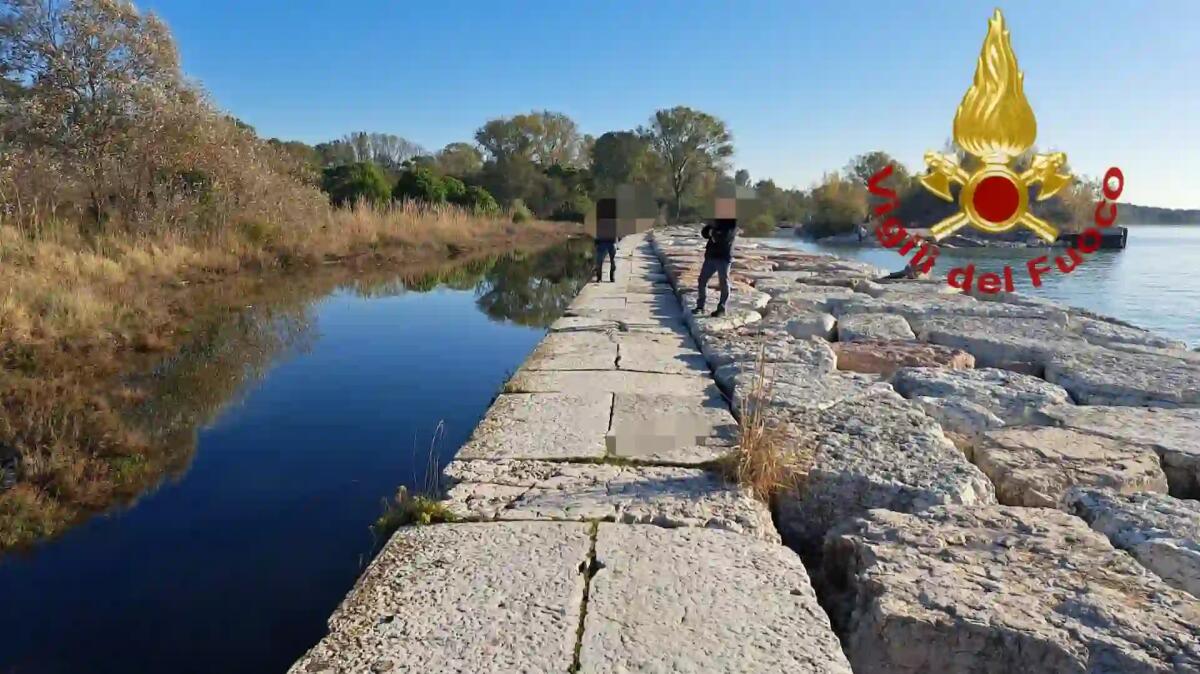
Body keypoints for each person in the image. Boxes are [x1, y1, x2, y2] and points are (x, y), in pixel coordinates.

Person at [693, 217, 737, 317]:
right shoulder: (716, 221)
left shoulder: (731, 224)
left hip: (723, 257)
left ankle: (721, 308)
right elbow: (704, 233)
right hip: (711, 256)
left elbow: (724, 237)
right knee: (702, 280)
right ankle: (700, 307)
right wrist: (713, 231)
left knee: (723, 282)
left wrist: (713, 232)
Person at [593, 197, 618, 282]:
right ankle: (610, 277)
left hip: (605, 241)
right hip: (607, 241)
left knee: (601, 261)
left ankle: (601, 278)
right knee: (611, 260)